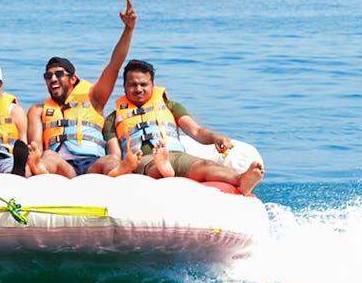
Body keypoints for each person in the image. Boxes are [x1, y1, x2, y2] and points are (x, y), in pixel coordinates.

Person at [103, 59, 264, 194]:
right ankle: (164, 169)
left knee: (205, 165)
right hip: (142, 159)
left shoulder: (171, 106)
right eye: (132, 85)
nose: (138, 89)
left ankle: (241, 179)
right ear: (124, 86)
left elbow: (196, 131)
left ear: (153, 85)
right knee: (153, 168)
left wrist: (216, 138)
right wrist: (123, 165)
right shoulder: (114, 118)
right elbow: (115, 153)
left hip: (175, 155)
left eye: (143, 84)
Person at [26, 0, 139, 177]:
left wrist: (128, 29)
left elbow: (115, 65)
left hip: (92, 161)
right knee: (47, 156)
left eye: (59, 74)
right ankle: (41, 171)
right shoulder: (37, 110)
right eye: (48, 75)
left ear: (73, 79)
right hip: (62, 164)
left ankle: (117, 171)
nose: (52, 78)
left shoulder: (95, 97)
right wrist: (35, 157)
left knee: (111, 160)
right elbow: (35, 146)